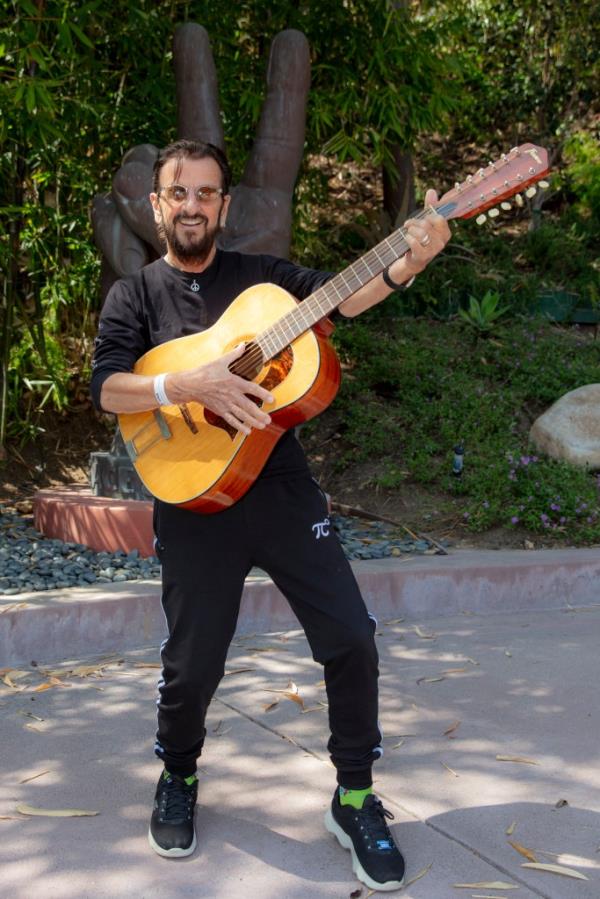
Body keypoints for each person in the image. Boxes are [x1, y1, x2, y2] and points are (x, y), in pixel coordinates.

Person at [91, 138, 450, 892]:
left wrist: (407, 259)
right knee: (193, 666)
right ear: (158, 205)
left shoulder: (264, 283)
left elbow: (344, 296)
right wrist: (190, 382)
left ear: (224, 205)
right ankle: (179, 774)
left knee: (352, 637)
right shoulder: (135, 296)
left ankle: (354, 797)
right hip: (192, 498)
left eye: (206, 192)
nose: (191, 205)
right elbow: (109, 389)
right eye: (177, 192)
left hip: (281, 488)